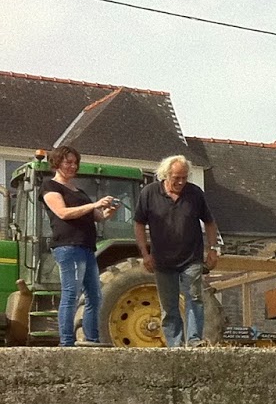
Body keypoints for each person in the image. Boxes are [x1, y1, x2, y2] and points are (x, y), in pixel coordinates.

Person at [134, 155, 220, 348]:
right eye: (176, 178)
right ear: (165, 175)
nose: (181, 182)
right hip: (162, 260)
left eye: (184, 177)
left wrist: (213, 249)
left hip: (191, 257)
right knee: (169, 305)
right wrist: (145, 254)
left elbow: (209, 222)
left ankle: (194, 340)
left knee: (194, 297)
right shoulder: (149, 193)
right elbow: (139, 224)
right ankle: (175, 345)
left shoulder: (195, 193)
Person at [39, 145, 116, 346]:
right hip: (68, 246)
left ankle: (91, 339)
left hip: (87, 246)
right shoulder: (50, 187)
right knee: (71, 293)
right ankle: (66, 342)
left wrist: (106, 213)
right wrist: (94, 204)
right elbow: (63, 213)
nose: (73, 166)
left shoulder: (79, 191)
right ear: (57, 163)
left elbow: (96, 217)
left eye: (75, 163)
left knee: (95, 295)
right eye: (68, 162)